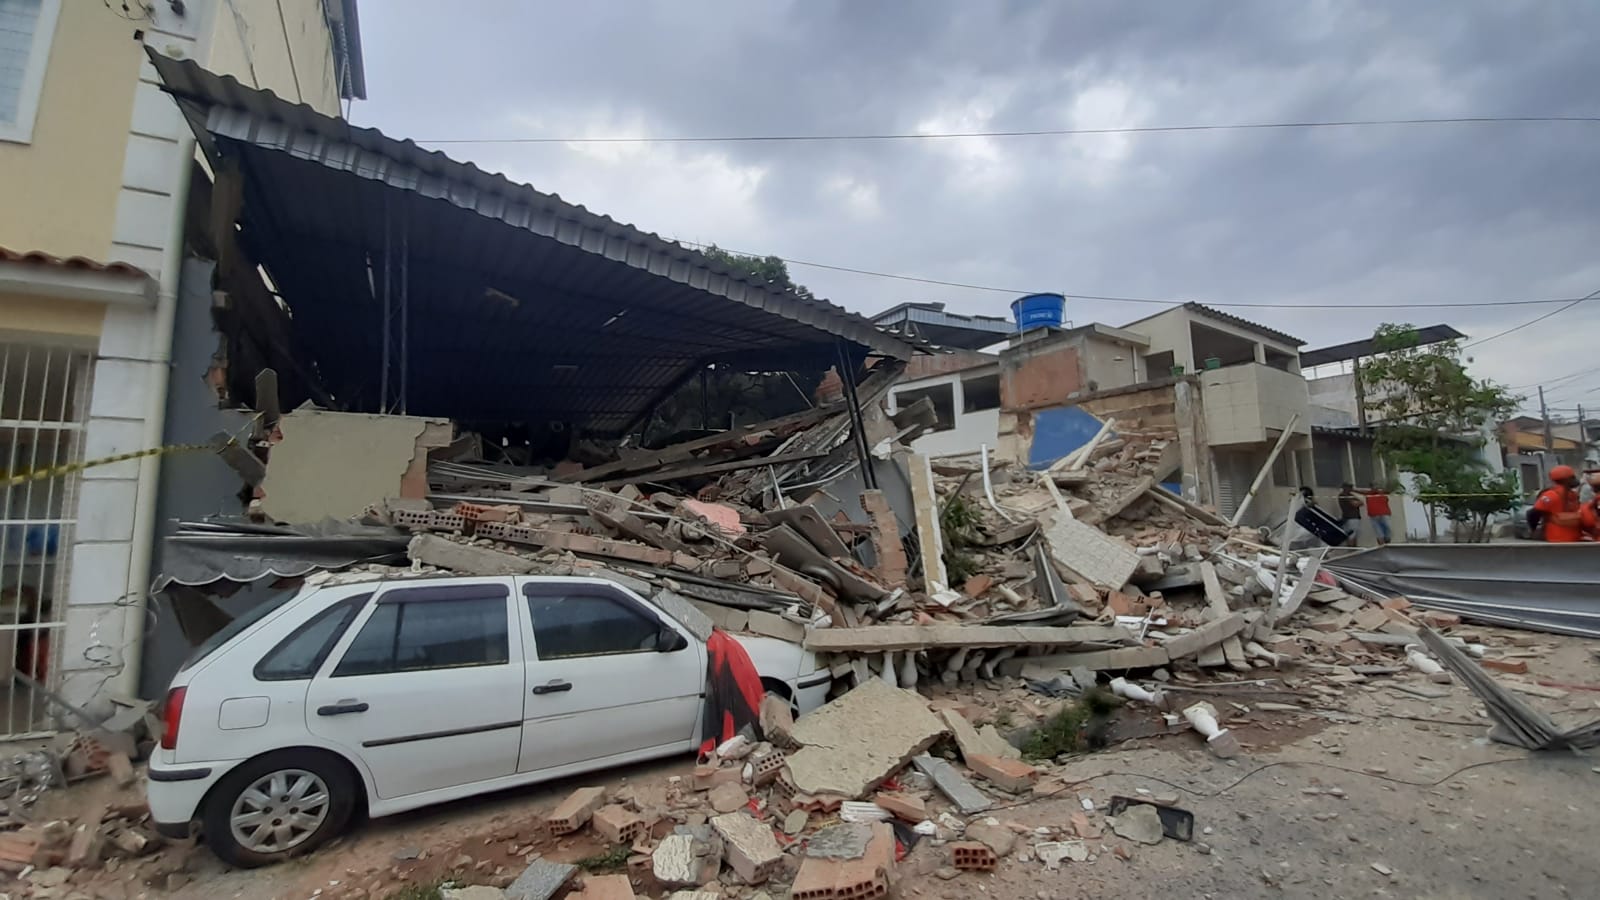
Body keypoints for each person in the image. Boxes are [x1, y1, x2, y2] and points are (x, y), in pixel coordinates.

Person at [1527, 465, 1584, 543]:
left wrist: (1533, 529)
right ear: (1565, 480)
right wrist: (1534, 530)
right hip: (1557, 540)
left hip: (1571, 539)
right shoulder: (1551, 495)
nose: (1575, 479)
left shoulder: (1573, 495)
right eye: (1572, 477)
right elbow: (1533, 513)